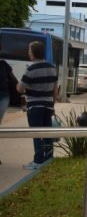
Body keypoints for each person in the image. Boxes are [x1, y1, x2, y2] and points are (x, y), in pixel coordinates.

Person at [17, 40, 58, 169]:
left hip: (34, 106)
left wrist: (17, 85)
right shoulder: (52, 68)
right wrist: (52, 104)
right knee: (47, 133)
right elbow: (55, 89)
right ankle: (49, 158)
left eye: (29, 51)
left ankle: (38, 161)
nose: (28, 53)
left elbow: (20, 89)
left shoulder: (30, 69)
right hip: (48, 105)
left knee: (36, 133)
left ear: (33, 54)